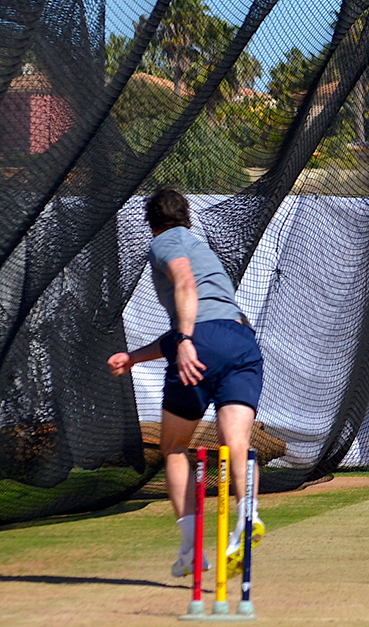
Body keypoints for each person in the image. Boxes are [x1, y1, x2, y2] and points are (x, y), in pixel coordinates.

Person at [108, 188, 265, 579]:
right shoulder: (200, 244)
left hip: (204, 341)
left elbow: (185, 287)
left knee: (175, 446)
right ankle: (248, 517)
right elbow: (202, 317)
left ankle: (192, 549)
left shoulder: (165, 242)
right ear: (187, 215)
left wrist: (187, 341)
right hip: (241, 341)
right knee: (237, 442)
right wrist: (134, 357)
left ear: (152, 221)